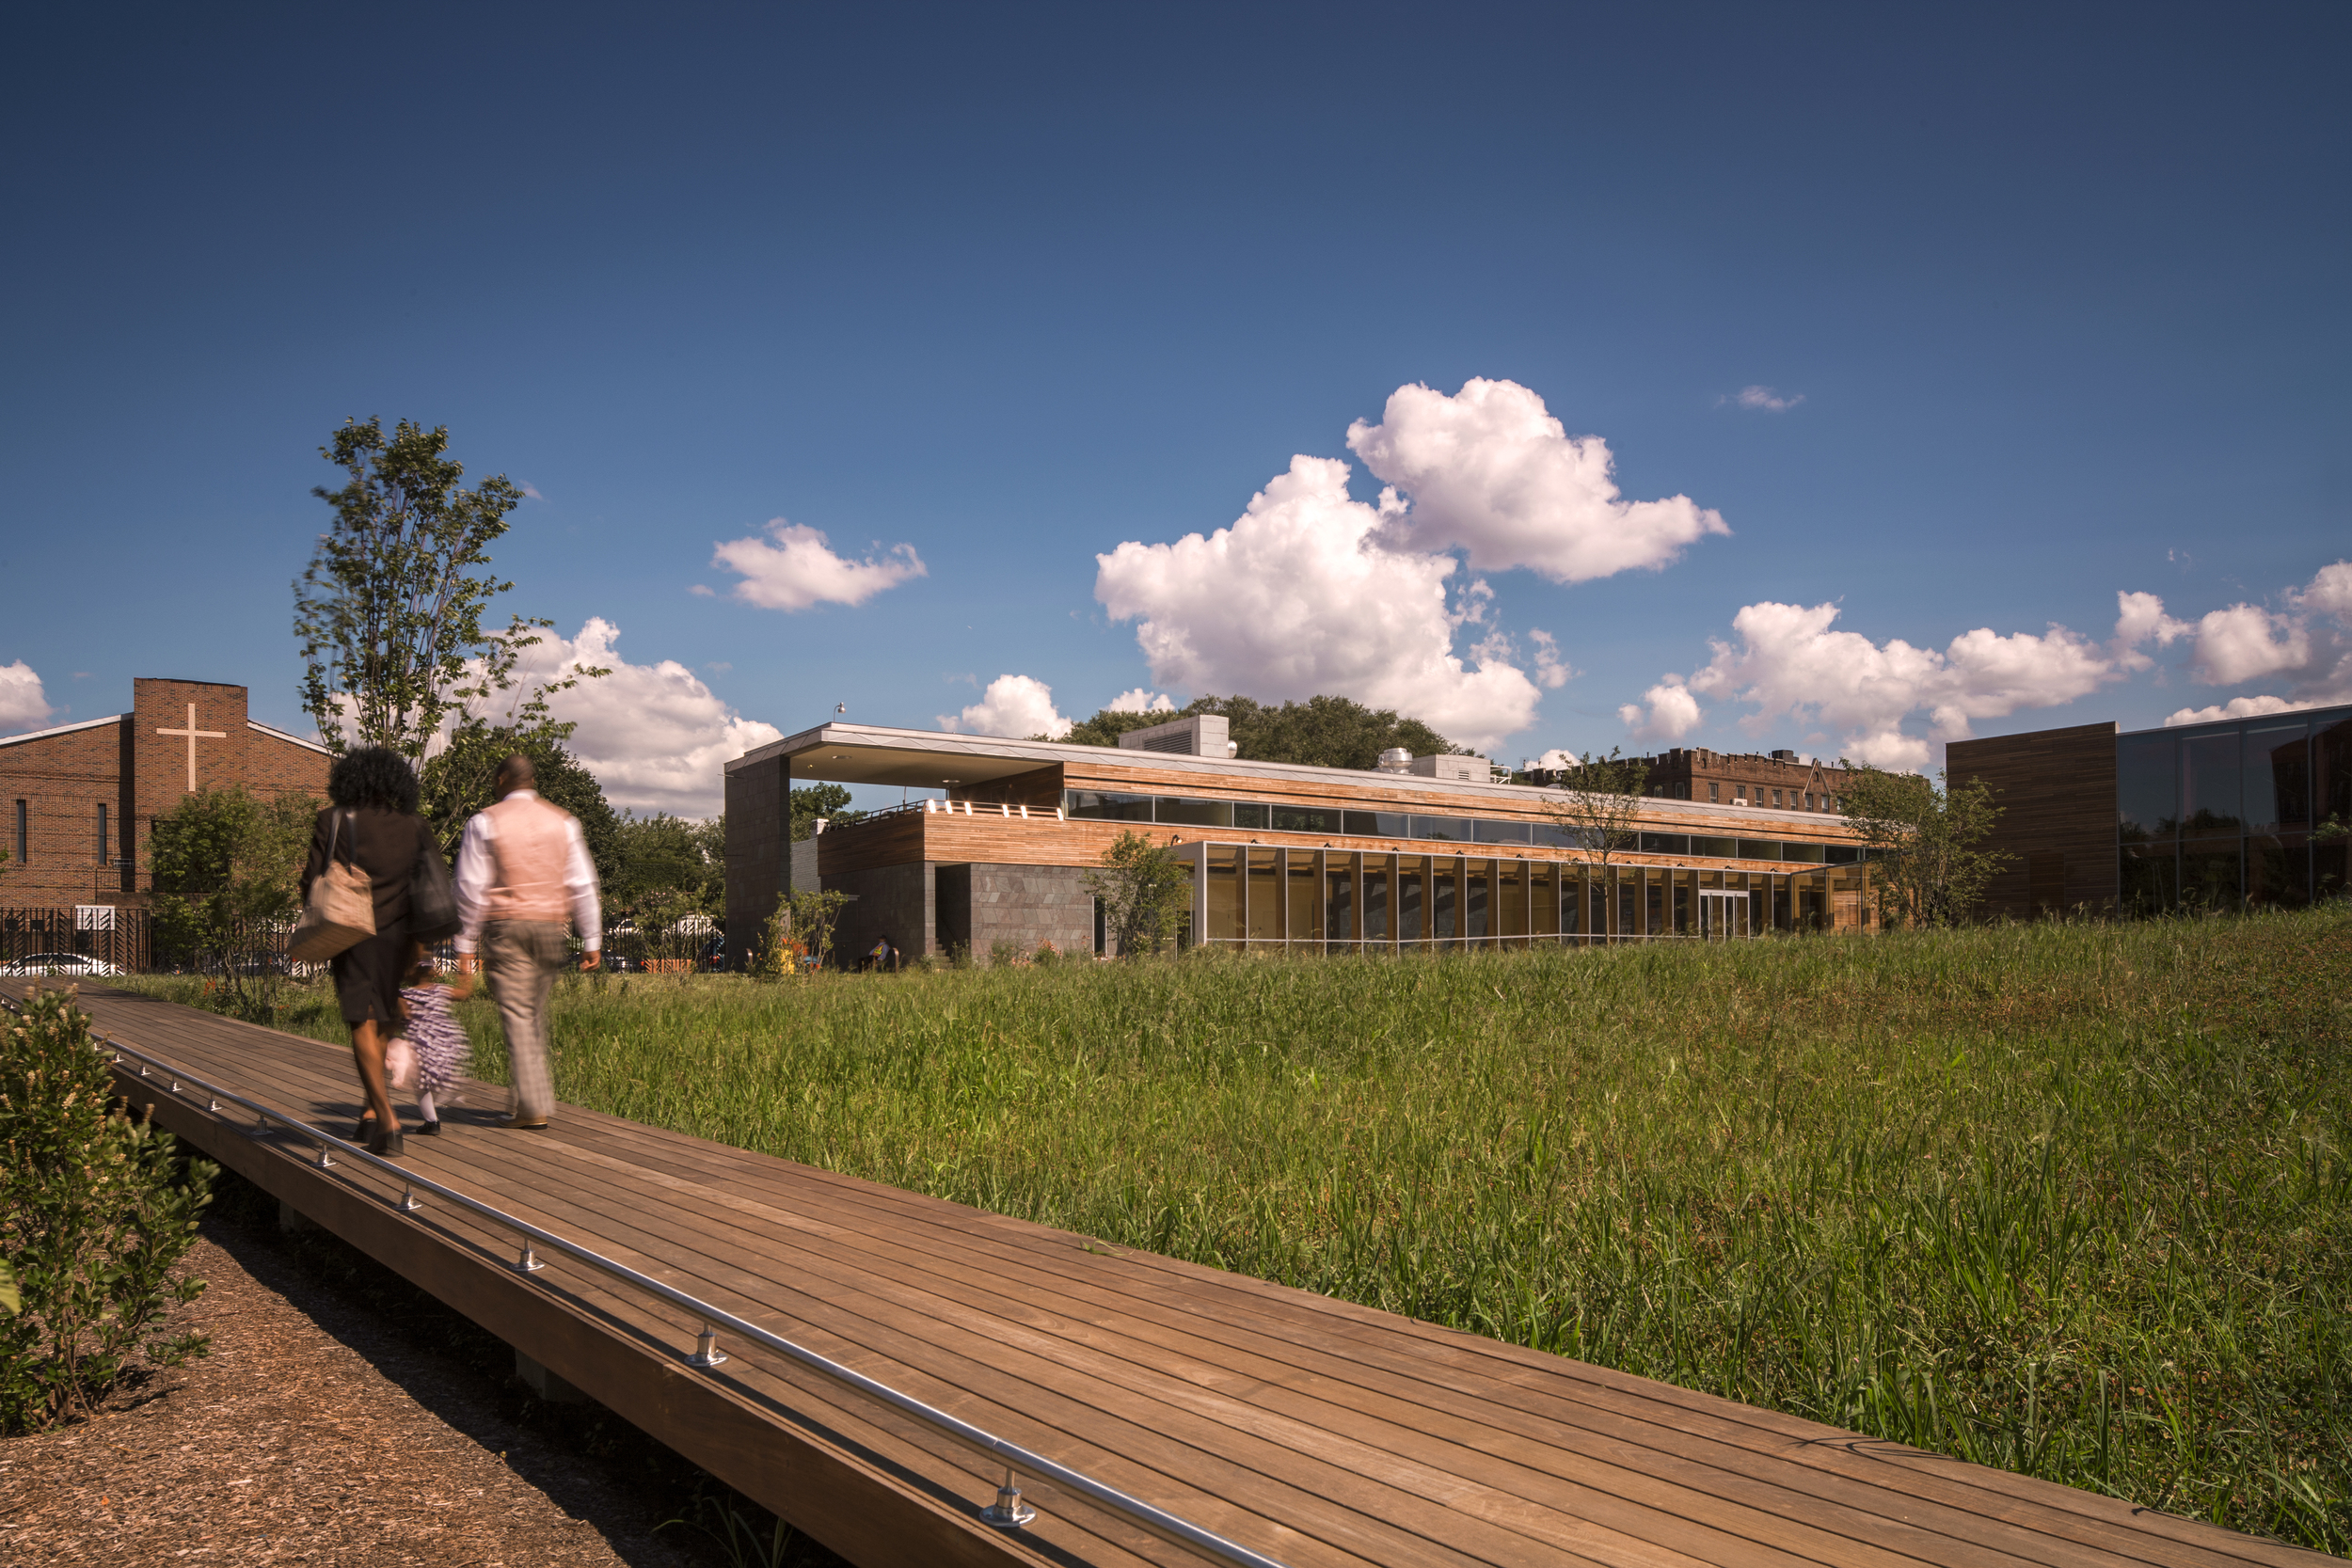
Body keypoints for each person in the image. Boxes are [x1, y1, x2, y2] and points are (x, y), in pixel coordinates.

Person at [452, 754, 601, 1130]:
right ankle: (524, 1101)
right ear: (532, 780)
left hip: (508, 927)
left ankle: (532, 1106)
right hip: (551, 928)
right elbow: (582, 882)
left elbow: (470, 888)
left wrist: (464, 945)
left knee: (518, 1015)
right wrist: (591, 938)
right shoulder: (564, 822)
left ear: (502, 778)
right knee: (533, 1014)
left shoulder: (484, 822)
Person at [302, 746, 437, 1157]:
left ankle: (387, 1118)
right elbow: (428, 889)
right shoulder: (414, 826)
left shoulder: (334, 820)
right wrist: (423, 951)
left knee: (362, 1021)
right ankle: (367, 1112)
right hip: (398, 938)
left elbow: (310, 880)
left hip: (352, 933)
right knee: (384, 1022)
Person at [392, 943, 468, 1134]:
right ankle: (449, 1093)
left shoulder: (404, 996)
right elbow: (465, 992)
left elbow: (396, 1018)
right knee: (439, 1078)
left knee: (420, 1087)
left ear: (407, 972)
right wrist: (464, 968)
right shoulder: (441, 990)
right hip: (448, 1046)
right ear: (433, 971)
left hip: (423, 1050)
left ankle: (432, 1122)